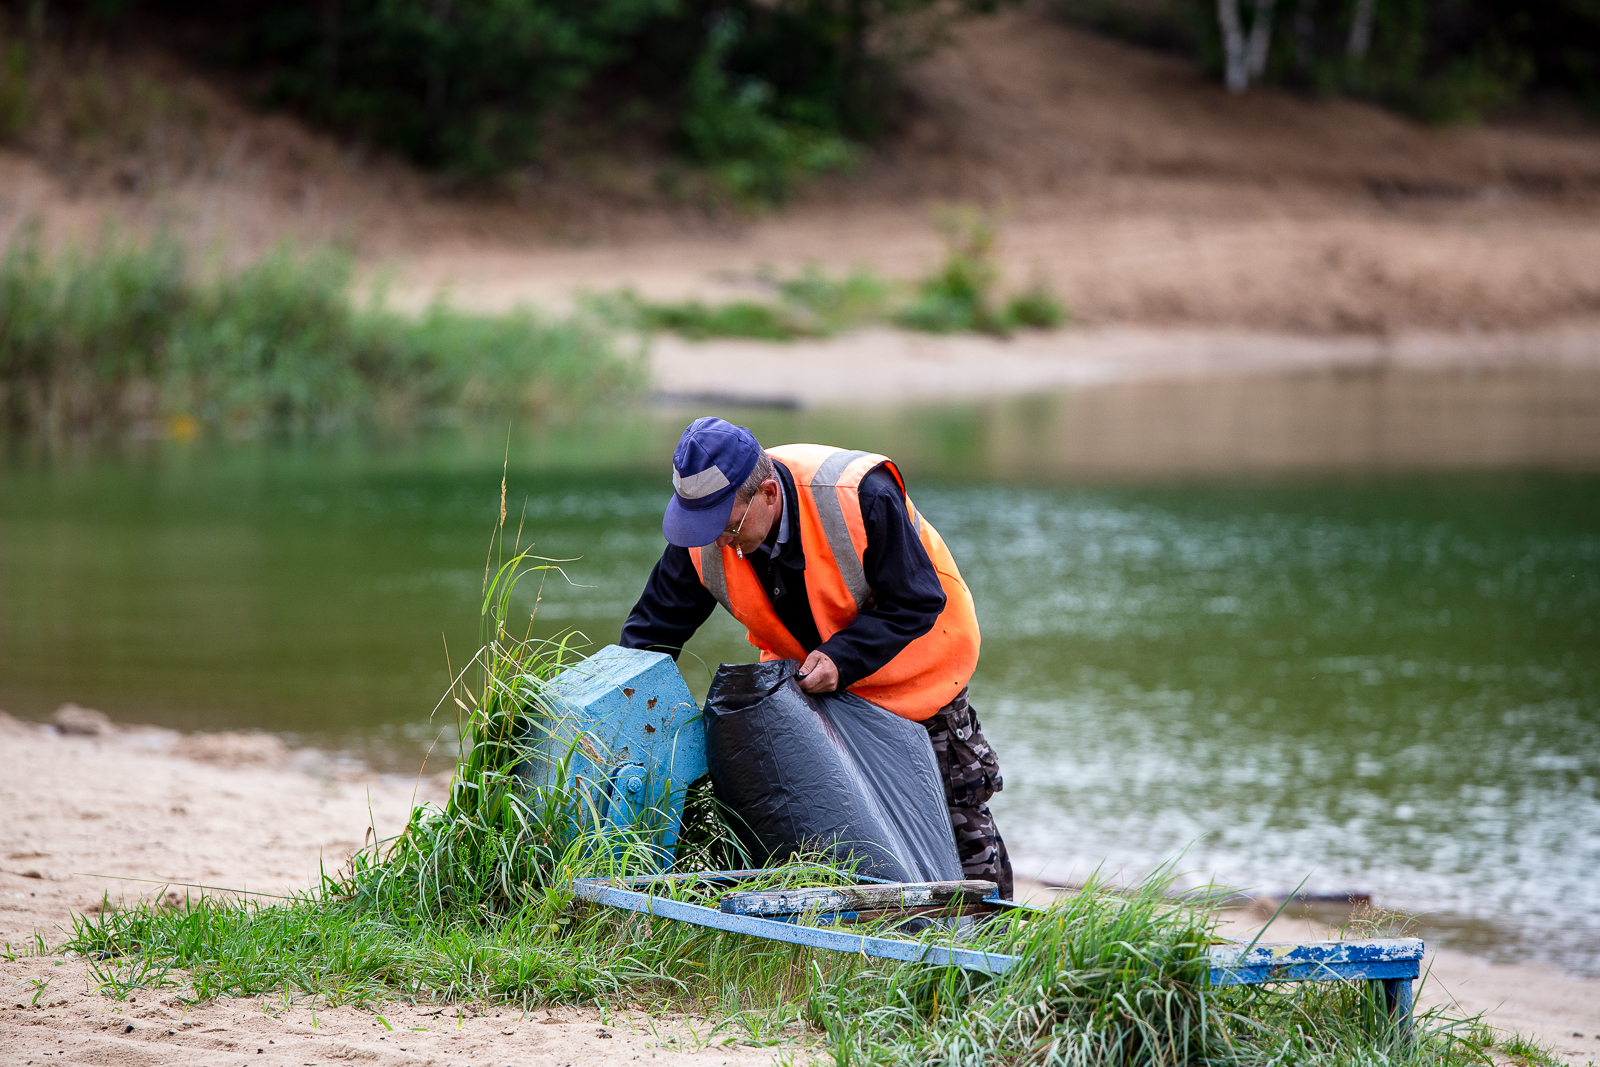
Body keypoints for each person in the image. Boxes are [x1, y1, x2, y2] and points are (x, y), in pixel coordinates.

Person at [620, 416, 1013, 898]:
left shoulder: (860, 493)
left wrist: (841, 659)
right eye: (701, 526)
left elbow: (916, 600)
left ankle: (994, 953)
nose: (717, 541)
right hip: (809, 699)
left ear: (768, 493)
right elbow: (652, 632)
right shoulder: (706, 529)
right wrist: (622, 713)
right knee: (824, 846)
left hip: (916, 682)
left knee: (960, 832)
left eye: (727, 527)